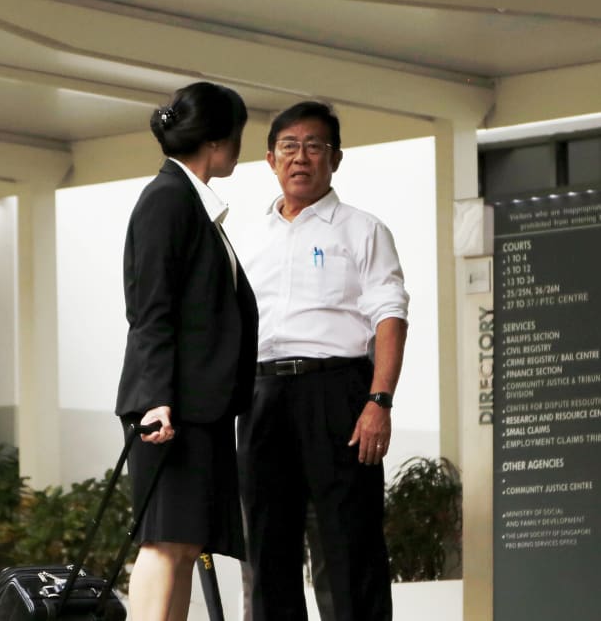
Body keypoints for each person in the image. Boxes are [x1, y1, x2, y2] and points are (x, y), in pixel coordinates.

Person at [236, 101, 409, 621]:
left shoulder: (362, 229)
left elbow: (390, 315)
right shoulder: (246, 237)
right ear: (270, 159)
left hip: (338, 393)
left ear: (336, 158)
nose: (300, 157)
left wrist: (380, 399)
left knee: (347, 545)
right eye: (289, 147)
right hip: (262, 397)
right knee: (266, 548)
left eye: (314, 147)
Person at [115, 81, 258, 621]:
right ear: (218, 142)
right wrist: (155, 398)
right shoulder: (168, 199)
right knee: (165, 541)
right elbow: (150, 307)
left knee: (182, 543)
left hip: (196, 406)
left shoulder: (188, 200)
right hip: (170, 406)